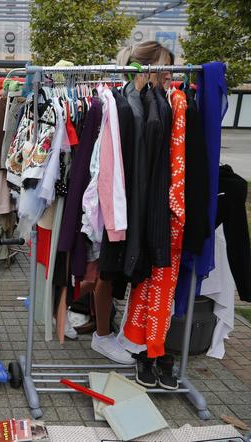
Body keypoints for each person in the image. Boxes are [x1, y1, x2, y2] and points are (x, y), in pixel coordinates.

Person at [83, 41, 176, 365]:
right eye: (164, 67)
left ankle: (105, 328)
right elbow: (113, 167)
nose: (168, 74)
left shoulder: (138, 102)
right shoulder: (127, 106)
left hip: (124, 204)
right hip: (122, 205)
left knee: (111, 270)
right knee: (108, 271)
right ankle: (103, 336)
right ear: (148, 67)